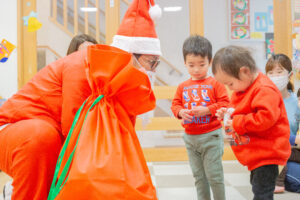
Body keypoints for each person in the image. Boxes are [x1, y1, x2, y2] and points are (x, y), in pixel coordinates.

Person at [0, 0, 162, 199]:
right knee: (43, 138)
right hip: (14, 130)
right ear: (129, 56)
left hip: (53, 138)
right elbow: (74, 133)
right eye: (151, 62)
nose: (152, 71)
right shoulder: (84, 65)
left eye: (157, 64)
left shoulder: (119, 87)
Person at [212, 46, 291, 200]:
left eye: (230, 84)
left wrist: (237, 121)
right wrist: (227, 114)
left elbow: (265, 118)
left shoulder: (264, 89)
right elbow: (238, 109)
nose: (229, 89)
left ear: (245, 71)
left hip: (268, 153)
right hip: (257, 153)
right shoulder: (244, 87)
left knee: (262, 192)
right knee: (257, 186)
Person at [171, 35, 229, 200]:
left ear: (210, 62)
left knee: (214, 176)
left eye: (201, 64)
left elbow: (225, 103)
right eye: (191, 65)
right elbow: (175, 105)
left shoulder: (215, 84)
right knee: (199, 177)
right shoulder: (183, 87)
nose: (196, 69)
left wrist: (207, 110)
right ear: (184, 63)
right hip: (190, 138)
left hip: (211, 136)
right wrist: (181, 112)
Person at [265, 54, 300, 193]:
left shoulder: (296, 102)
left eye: (279, 72)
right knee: (295, 179)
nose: (275, 76)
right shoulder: (263, 101)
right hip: (274, 156)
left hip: (294, 151)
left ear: (290, 75)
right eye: (271, 73)